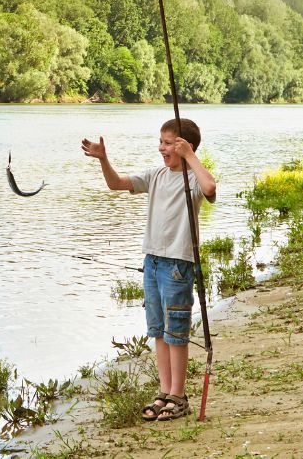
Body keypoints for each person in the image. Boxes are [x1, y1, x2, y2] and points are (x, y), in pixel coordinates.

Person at [81, 117, 216, 421]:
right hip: (152, 262)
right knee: (158, 330)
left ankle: (179, 397)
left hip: (179, 264)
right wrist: (104, 159)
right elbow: (116, 183)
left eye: (168, 143)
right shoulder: (156, 176)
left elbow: (210, 187)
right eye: (162, 142)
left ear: (184, 146)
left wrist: (190, 157)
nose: (161, 148)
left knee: (176, 331)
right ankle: (165, 391)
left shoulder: (192, 179)